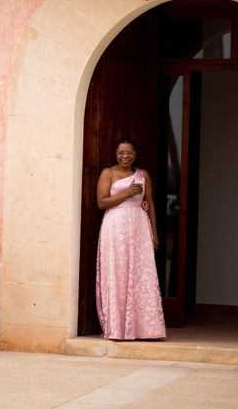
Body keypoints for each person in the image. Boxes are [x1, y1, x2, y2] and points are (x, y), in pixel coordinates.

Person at [95, 137, 165, 340]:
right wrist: (126, 193)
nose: (125, 156)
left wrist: (154, 233)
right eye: (121, 152)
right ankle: (117, 327)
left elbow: (149, 203)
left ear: (135, 154)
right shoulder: (108, 173)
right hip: (115, 225)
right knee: (118, 271)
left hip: (139, 225)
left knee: (140, 273)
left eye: (129, 152)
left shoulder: (143, 175)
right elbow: (102, 202)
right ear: (116, 154)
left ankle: (144, 328)